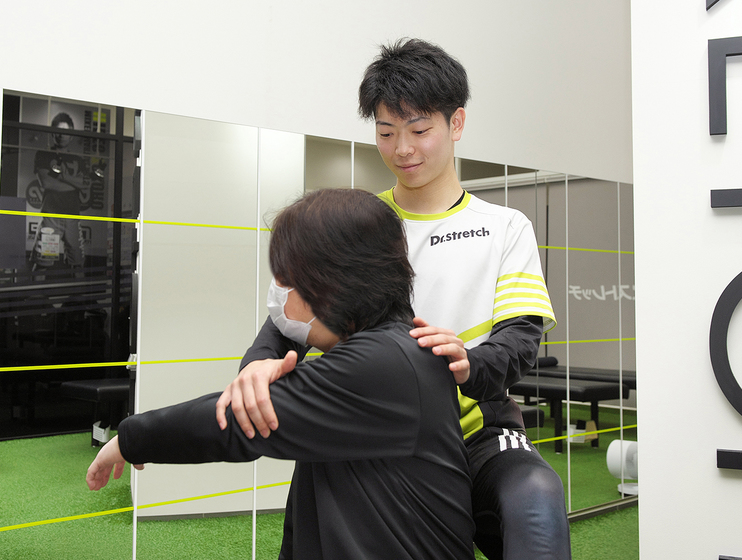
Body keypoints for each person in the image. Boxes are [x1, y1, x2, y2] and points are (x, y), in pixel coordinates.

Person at [219, 39, 572, 560]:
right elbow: (289, 317)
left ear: (456, 123)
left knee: (536, 499)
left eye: (419, 130)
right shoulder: (359, 221)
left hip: (478, 429)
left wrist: (469, 364)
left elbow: (520, 339)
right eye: (386, 133)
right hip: (374, 425)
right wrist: (257, 363)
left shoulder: (504, 226)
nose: (402, 149)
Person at [87, 188, 475, 560]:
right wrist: (259, 363)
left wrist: (130, 440)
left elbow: (235, 423)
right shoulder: (392, 347)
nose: (278, 290)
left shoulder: (383, 364)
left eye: (288, 276)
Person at [31, 112, 88, 269]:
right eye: (58, 131)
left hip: (72, 217)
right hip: (51, 217)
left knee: (77, 263)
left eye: (66, 132)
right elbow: (46, 183)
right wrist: (74, 183)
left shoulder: (78, 160)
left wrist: (62, 177)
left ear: (71, 136)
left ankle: (77, 288)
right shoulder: (44, 155)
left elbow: (85, 184)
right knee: (42, 263)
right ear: (52, 133)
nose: (62, 135)